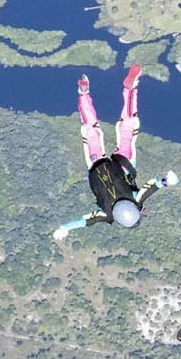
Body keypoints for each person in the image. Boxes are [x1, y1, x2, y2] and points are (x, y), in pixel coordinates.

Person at [58, 66, 146, 234]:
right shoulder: (106, 214)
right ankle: (83, 93)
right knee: (91, 131)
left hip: (123, 165)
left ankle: (130, 88)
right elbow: (85, 221)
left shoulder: (135, 198)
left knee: (128, 127)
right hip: (97, 166)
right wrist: (64, 228)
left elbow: (153, 186)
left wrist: (167, 181)